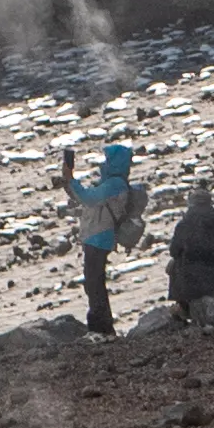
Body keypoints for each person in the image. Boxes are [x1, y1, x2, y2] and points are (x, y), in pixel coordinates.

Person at [61, 141, 144, 335]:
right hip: (99, 237)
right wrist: (70, 182)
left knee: (94, 282)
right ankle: (101, 324)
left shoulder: (114, 184)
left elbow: (89, 198)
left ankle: (101, 326)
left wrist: (70, 179)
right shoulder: (114, 182)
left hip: (99, 237)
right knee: (94, 281)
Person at [168, 180, 214, 323]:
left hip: (191, 283)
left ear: (191, 204)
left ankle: (185, 308)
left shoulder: (184, 224)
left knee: (173, 265)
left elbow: (174, 251)